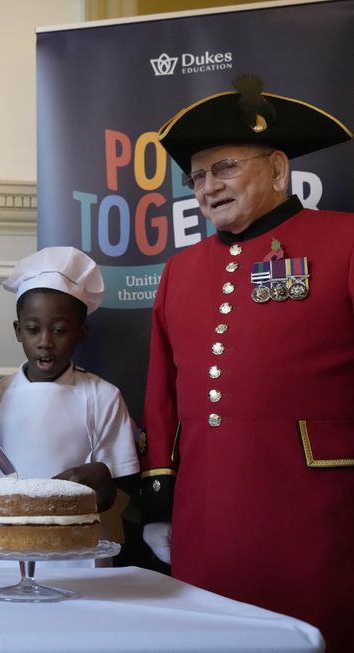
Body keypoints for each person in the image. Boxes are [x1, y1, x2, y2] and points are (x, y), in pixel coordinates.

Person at [140, 73, 353, 650]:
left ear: (279, 169)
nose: (208, 187)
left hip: (320, 508)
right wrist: (161, 477)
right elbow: (162, 385)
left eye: (225, 168)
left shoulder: (346, 241)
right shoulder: (179, 271)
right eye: (198, 176)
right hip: (207, 508)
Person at [0, 247, 140, 567]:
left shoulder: (103, 397)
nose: (45, 341)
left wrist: (101, 479)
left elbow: (119, 491)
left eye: (60, 330)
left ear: (81, 332)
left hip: (81, 552)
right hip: (7, 550)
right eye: (33, 329)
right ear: (18, 331)